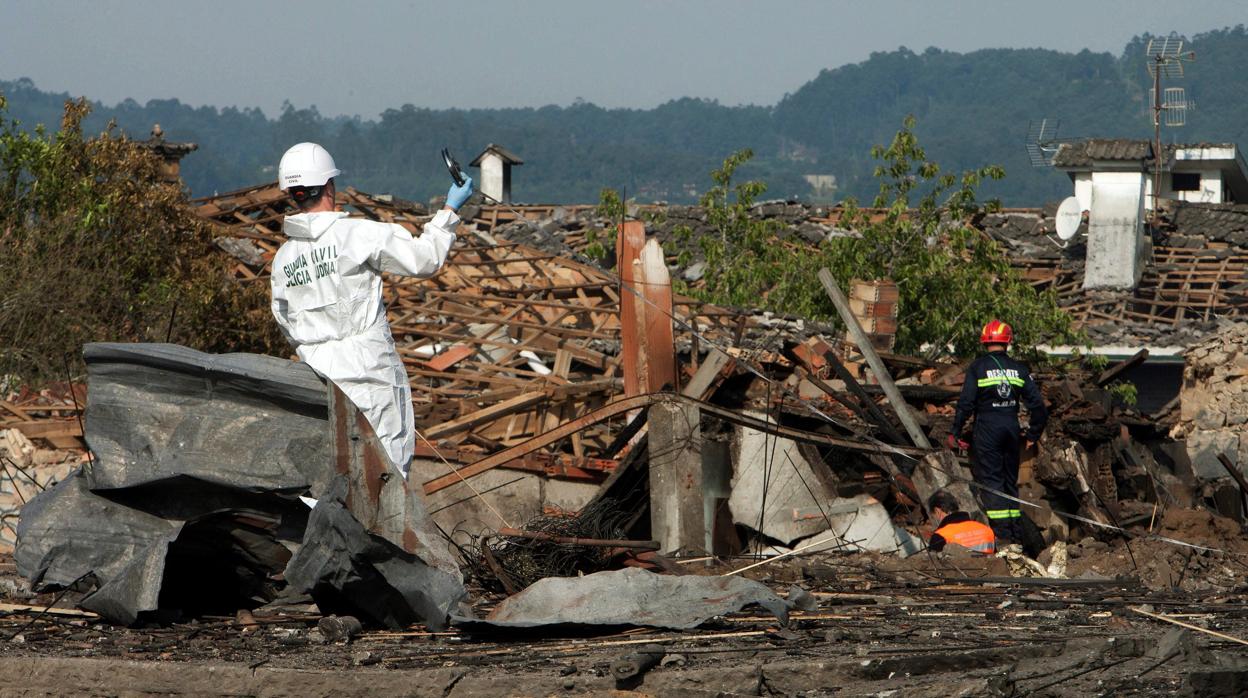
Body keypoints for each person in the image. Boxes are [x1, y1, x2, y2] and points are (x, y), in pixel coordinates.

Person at [270, 142, 473, 477]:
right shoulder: (359, 234)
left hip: (317, 379)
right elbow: (425, 259)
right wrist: (449, 211)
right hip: (370, 374)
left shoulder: (284, 260)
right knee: (385, 474)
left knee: (331, 475)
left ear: (294, 195)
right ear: (330, 187)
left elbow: (285, 321)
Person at [948, 320, 1048, 557]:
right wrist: (1033, 434)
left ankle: (1002, 538)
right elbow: (1039, 408)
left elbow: (966, 404)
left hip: (987, 429)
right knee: (1009, 483)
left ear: (985, 341)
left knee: (992, 482)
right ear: (1008, 341)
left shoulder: (978, 367)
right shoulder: (1020, 370)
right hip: (1011, 429)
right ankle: (1016, 537)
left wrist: (955, 432)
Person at [927, 490, 995, 554]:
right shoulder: (985, 529)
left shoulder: (940, 536)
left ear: (937, 511)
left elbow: (934, 563)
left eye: (934, 516)